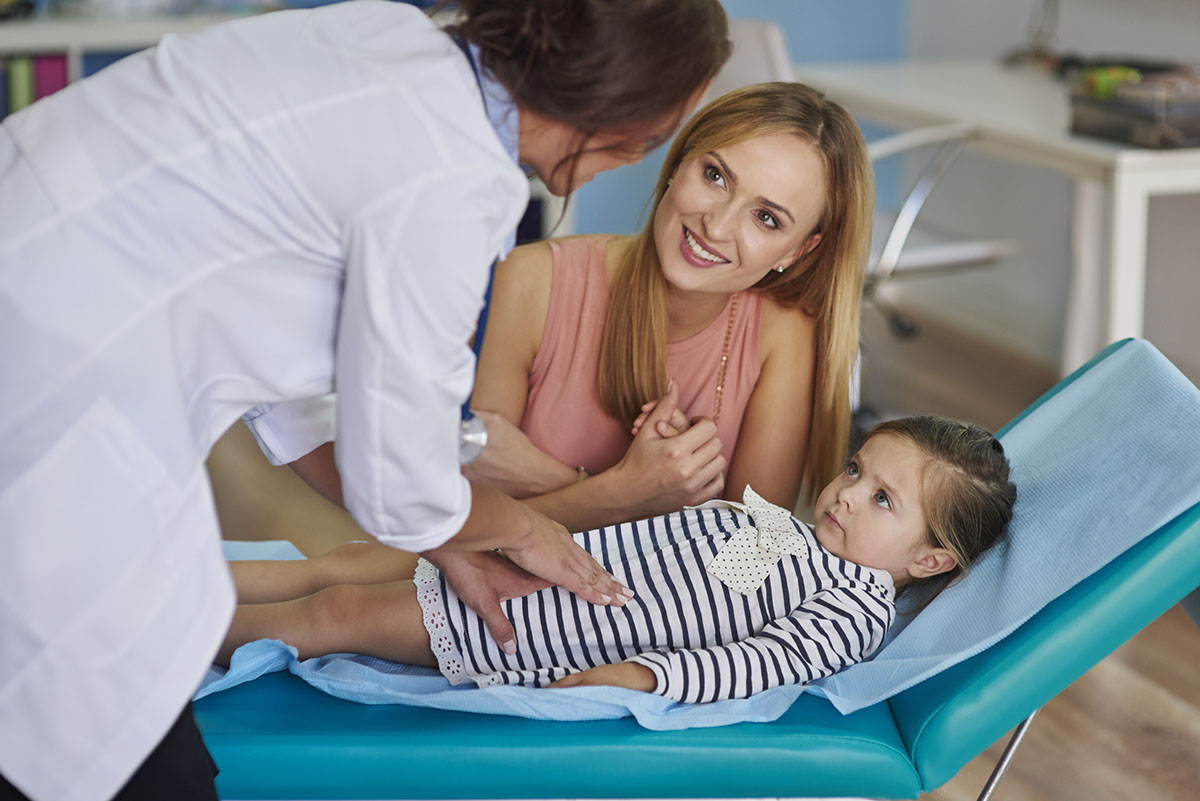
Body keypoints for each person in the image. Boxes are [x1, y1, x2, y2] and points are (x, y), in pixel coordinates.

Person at [0, 1, 730, 799]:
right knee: (113, 699)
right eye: (666, 148)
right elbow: (401, 483)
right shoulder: (456, 183)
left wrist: (451, 527)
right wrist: (519, 521)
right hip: (51, 372)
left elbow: (286, 357)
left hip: (46, 269)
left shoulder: (394, 39)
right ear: (618, 113)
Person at [218, 415, 1017, 701]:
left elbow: (752, 660)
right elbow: (700, 573)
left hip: (532, 622)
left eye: (883, 500)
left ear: (932, 560)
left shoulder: (852, 608)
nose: (846, 494)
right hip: (543, 565)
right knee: (346, 559)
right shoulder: (804, 544)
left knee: (338, 613)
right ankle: (175, 592)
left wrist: (640, 676)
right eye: (855, 470)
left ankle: (179, 633)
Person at [464, 81, 874, 533]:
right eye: (716, 176)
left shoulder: (784, 333)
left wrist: (561, 484)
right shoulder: (530, 280)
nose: (716, 226)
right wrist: (634, 494)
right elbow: (465, 522)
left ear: (795, 253)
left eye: (766, 218)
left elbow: (749, 559)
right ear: (679, 163)